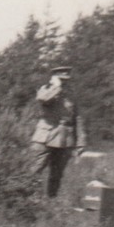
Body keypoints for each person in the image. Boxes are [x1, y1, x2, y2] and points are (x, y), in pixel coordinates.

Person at [30, 67, 86, 198]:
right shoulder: (45, 89)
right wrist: (56, 87)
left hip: (65, 139)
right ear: (54, 78)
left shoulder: (72, 95)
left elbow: (78, 118)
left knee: (57, 173)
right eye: (61, 79)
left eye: (66, 79)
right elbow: (43, 99)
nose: (65, 82)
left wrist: (81, 141)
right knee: (35, 169)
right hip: (45, 137)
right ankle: (26, 200)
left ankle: (51, 200)